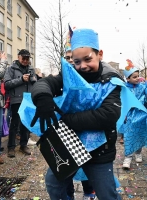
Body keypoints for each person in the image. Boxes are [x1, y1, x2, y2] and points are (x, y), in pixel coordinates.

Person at [30, 28, 122, 199]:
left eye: (88, 59)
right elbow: (46, 83)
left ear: (99, 54)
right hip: (70, 144)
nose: (83, 66)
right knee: (54, 183)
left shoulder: (111, 80)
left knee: (106, 193)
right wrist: (43, 97)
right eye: (77, 61)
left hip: (100, 149)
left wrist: (66, 120)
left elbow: (109, 114)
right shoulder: (70, 75)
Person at [64, 45, 96, 200]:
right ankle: (68, 194)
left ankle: (89, 192)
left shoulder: (89, 76)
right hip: (67, 130)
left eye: (73, 58)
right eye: (68, 58)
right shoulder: (62, 76)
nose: (70, 61)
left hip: (87, 127)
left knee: (87, 161)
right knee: (66, 165)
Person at [4, 49, 37, 157]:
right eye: (24, 58)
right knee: (14, 124)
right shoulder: (11, 68)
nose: (26, 60)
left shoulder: (31, 68)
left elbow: (35, 81)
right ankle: (11, 147)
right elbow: (7, 84)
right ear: (18, 57)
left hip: (28, 99)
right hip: (17, 99)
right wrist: (21, 79)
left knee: (26, 124)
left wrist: (33, 79)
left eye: (27, 58)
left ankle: (24, 145)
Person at [122, 60, 146, 169]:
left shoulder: (143, 87)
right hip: (129, 115)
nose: (137, 79)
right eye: (134, 77)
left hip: (140, 114)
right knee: (128, 136)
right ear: (128, 78)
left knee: (140, 134)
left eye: (138, 76)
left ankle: (138, 152)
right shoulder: (124, 88)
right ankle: (128, 157)